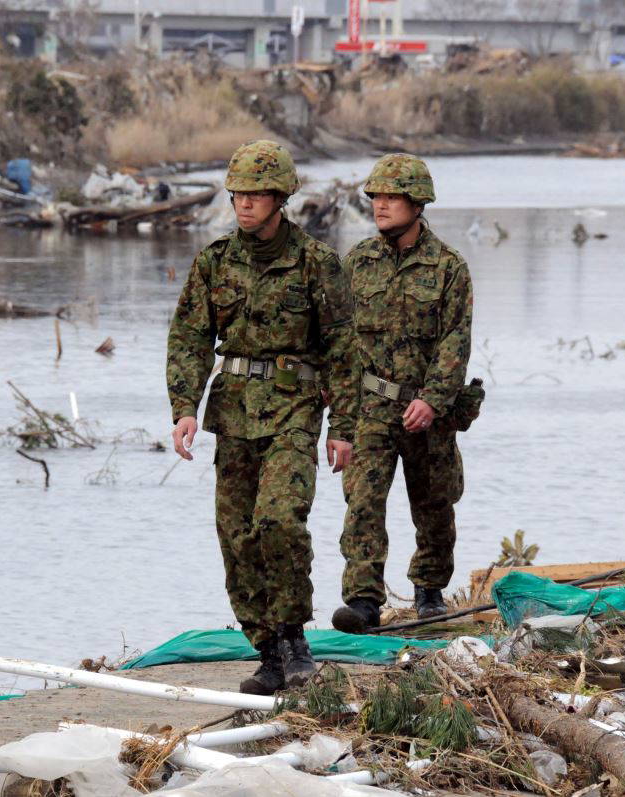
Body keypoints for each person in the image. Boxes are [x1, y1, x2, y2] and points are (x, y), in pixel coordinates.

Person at [166, 140, 358, 695]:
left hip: (295, 411)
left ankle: (296, 639)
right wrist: (185, 407)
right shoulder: (215, 261)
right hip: (234, 412)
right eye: (238, 194)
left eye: (256, 194)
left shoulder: (317, 264)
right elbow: (190, 337)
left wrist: (342, 427)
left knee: (279, 520)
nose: (244, 204)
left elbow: (343, 349)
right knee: (238, 535)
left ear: (281, 199)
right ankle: (267, 649)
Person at [331, 153, 474, 633]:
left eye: (392, 197)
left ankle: (429, 591)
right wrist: (341, 418)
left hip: (427, 408)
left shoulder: (449, 267)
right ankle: (363, 599)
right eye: (376, 197)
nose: (380, 205)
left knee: (434, 502)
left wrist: (432, 399)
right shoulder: (358, 264)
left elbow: (456, 340)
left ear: (417, 203)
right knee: (363, 501)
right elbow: (341, 342)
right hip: (371, 404)